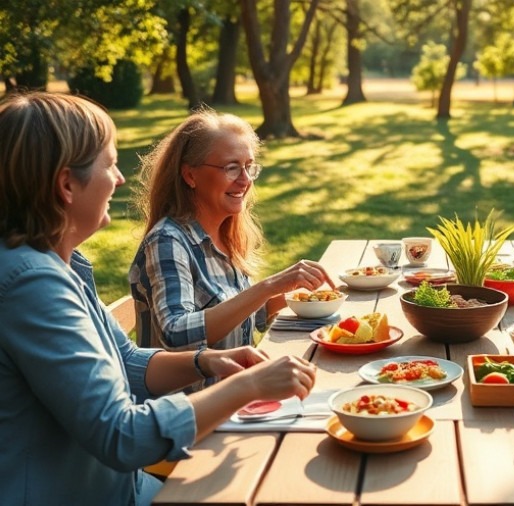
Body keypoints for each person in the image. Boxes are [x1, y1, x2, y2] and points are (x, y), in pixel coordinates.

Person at [0, 92, 317, 506]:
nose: (119, 178)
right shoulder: (31, 284)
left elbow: (129, 360)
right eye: (109, 164)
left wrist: (207, 361)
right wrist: (249, 384)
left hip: (128, 486)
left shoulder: (61, 264)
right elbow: (121, 435)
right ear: (66, 185)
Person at [129, 109, 334, 361]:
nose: (245, 180)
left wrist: (297, 292)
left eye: (249, 167)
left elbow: (243, 317)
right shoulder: (168, 242)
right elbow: (176, 334)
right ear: (190, 175)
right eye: (232, 168)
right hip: (193, 399)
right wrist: (268, 286)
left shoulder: (225, 235)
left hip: (237, 389)